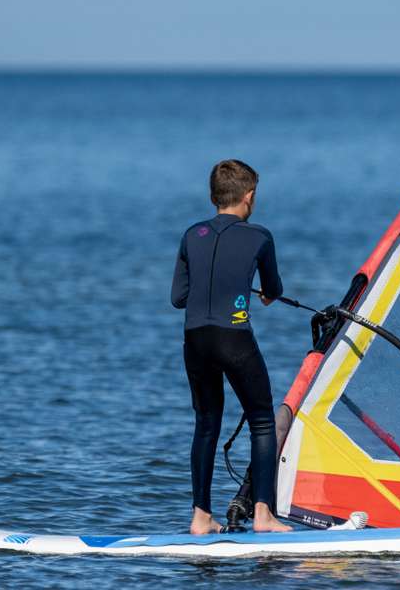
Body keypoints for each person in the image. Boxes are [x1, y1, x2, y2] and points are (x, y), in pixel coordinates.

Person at [171, 159, 292, 535]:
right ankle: (263, 514)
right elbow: (274, 290)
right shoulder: (259, 236)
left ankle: (200, 516)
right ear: (249, 196)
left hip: (196, 339)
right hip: (234, 337)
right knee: (261, 422)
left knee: (206, 424)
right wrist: (262, 294)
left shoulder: (192, 234)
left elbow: (178, 297)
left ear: (213, 196)